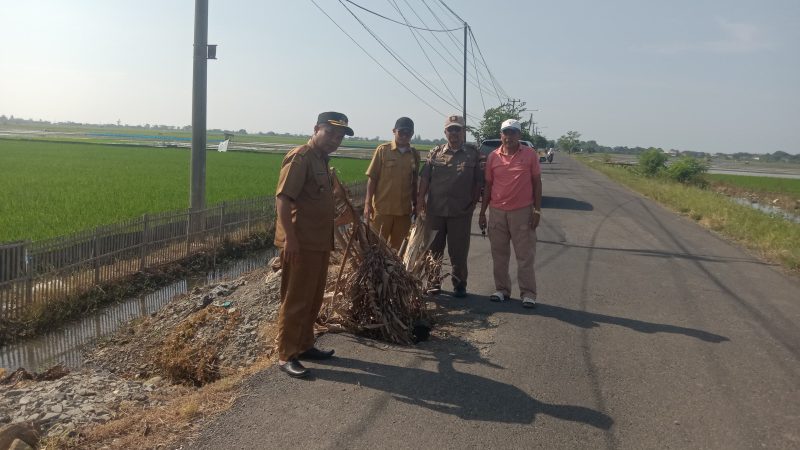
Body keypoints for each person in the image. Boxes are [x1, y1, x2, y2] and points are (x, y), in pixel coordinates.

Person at [273, 111, 354, 378]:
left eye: (340, 136)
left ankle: (305, 345)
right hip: (301, 243)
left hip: (319, 242)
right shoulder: (301, 157)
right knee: (295, 298)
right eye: (330, 133)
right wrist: (291, 240)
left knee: (313, 297)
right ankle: (287, 353)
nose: (335, 139)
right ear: (316, 129)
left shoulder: (321, 161)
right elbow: (283, 199)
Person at [417, 114, 484, 297]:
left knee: (459, 251)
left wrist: (473, 203)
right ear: (445, 132)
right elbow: (425, 178)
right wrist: (420, 199)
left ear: (464, 132)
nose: (454, 133)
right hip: (435, 211)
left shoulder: (473, 153)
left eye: (458, 129)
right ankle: (433, 282)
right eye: (450, 129)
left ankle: (459, 284)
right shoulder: (435, 153)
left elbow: (479, 181)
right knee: (433, 249)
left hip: (460, 211)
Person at [478, 118, 542, 308]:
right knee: (499, 254)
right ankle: (502, 290)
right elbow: (488, 185)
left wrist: (537, 210)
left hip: (522, 211)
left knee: (525, 255)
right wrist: (482, 212)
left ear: (519, 135)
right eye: (506, 132)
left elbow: (537, 183)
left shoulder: (530, 155)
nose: (509, 136)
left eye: (513, 132)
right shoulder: (493, 157)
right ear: (501, 135)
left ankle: (528, 293)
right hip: (497, 211)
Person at [363, 117, 420, 251]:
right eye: (401, 132)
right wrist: (366, 204)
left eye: (408, 133)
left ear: (412, 134)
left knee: (398, 251)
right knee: (376, 249)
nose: (404, 136)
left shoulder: (414, 155)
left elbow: (414, 181)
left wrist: (416, 203)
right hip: (382, 210)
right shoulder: (383, 150)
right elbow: (372, 178)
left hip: (403, 212)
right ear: (394, 131)